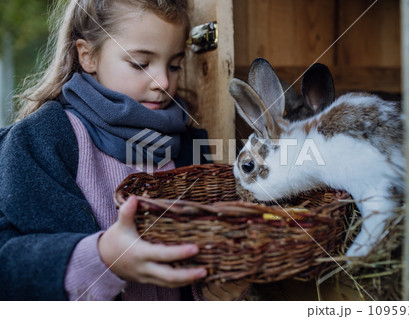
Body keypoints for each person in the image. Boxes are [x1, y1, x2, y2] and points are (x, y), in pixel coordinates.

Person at [0, 0, 249, 301]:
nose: (163, 82)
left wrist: (214, 290)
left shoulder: (188, 145)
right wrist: (103, 256)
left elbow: (197, 272)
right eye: (140, 63)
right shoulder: (43, 138)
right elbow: (11, 262)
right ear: (88, 55)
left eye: (174, 65)